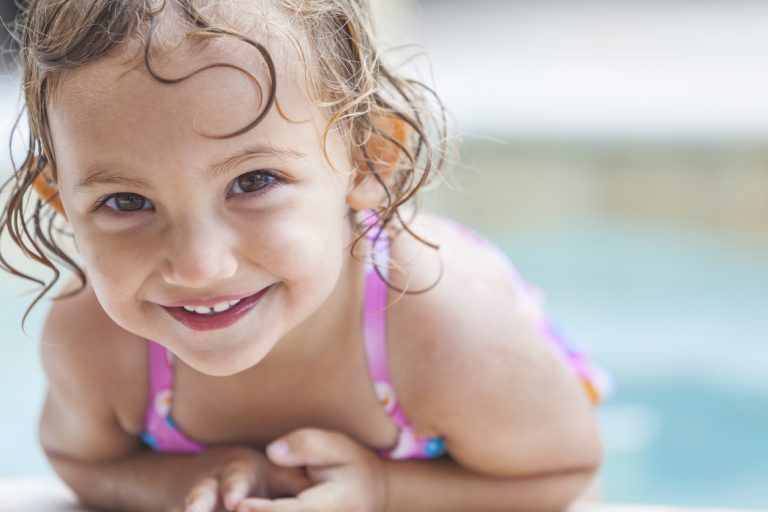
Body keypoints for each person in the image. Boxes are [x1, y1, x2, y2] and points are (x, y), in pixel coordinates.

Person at [1, 1, 610, 511]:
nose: (197, 266)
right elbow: (78, 458)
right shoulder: (94, 339)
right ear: (60, 198)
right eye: (126, 200)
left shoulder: (443, 330)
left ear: (370, 158)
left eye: (254, 182)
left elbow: (564, 470)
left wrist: (385, 490)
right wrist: (175, 480)